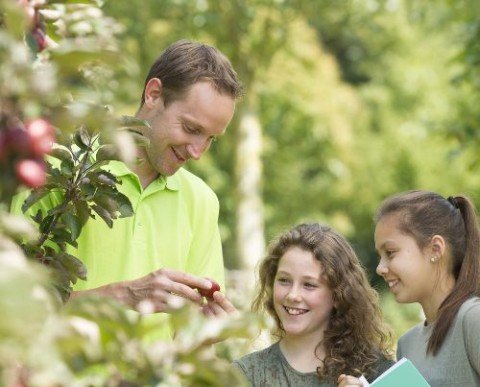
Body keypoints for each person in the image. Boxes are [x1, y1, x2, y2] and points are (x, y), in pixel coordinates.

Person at [12, 39, 243, 338]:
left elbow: (190, 337)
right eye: (191, 129)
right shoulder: (58, 171)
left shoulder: (202, 201)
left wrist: (209, 331)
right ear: (154, 94)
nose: (198, 152)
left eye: (211, 138)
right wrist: (123, 296)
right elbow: (12, 306)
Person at [233, 223, 394, 386]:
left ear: (338, 295)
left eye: (309, 284)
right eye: (284, 280)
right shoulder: (245, 374)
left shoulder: (377, 372)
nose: (293, 295)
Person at [372, 190, 480, 387]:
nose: (380, 268)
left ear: (435, 249)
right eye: (380, 256)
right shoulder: (407, 344)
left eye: (390, 253)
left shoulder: (473, 319)